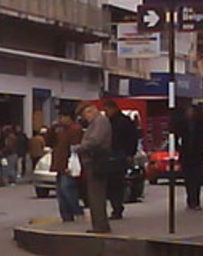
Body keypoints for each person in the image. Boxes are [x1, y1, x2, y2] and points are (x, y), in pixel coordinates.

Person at [74, 102, 112, 234]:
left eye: (85, 115)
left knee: (96, 195)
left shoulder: (100, 122)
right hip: (94, 160)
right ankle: (99, 224)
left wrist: (79, 148)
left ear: (91, 111)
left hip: (96, 160)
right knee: (94, 194)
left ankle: (100, 225)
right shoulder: (98, 122)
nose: (85, 118)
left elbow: (95, 140)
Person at [102, 100, 139, 220]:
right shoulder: (108, 122)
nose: (106, 113)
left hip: (120, 155)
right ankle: (116, 206)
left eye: (107, 110)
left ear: (113, 109)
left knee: (116, 183)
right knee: (112, 184)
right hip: (110, 155)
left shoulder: (124, 122)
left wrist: (129, 154)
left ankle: (117, 208)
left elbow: (132, 138)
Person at [46, 110, 84, 222]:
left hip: (68, 164)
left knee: (67, 188)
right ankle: (66, 215)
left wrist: (70, 165)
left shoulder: (75, 129)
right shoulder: (59, 130)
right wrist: (52, 129)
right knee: (60, 191)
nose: (61, 119)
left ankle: (76, 211)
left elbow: (74, 149)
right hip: (60, 163)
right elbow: (49, 141)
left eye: (63, 116)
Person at [175, 105, 203, 211]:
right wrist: (179, 149)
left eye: (191, 111)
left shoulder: (201, 124)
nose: (190, 113)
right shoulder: (182, 124)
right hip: (186, 155)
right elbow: (176, 137)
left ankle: (195, 200)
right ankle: (190, 200)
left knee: (196, 179)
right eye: (188, 111)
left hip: (197, 155)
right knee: (188, 179)